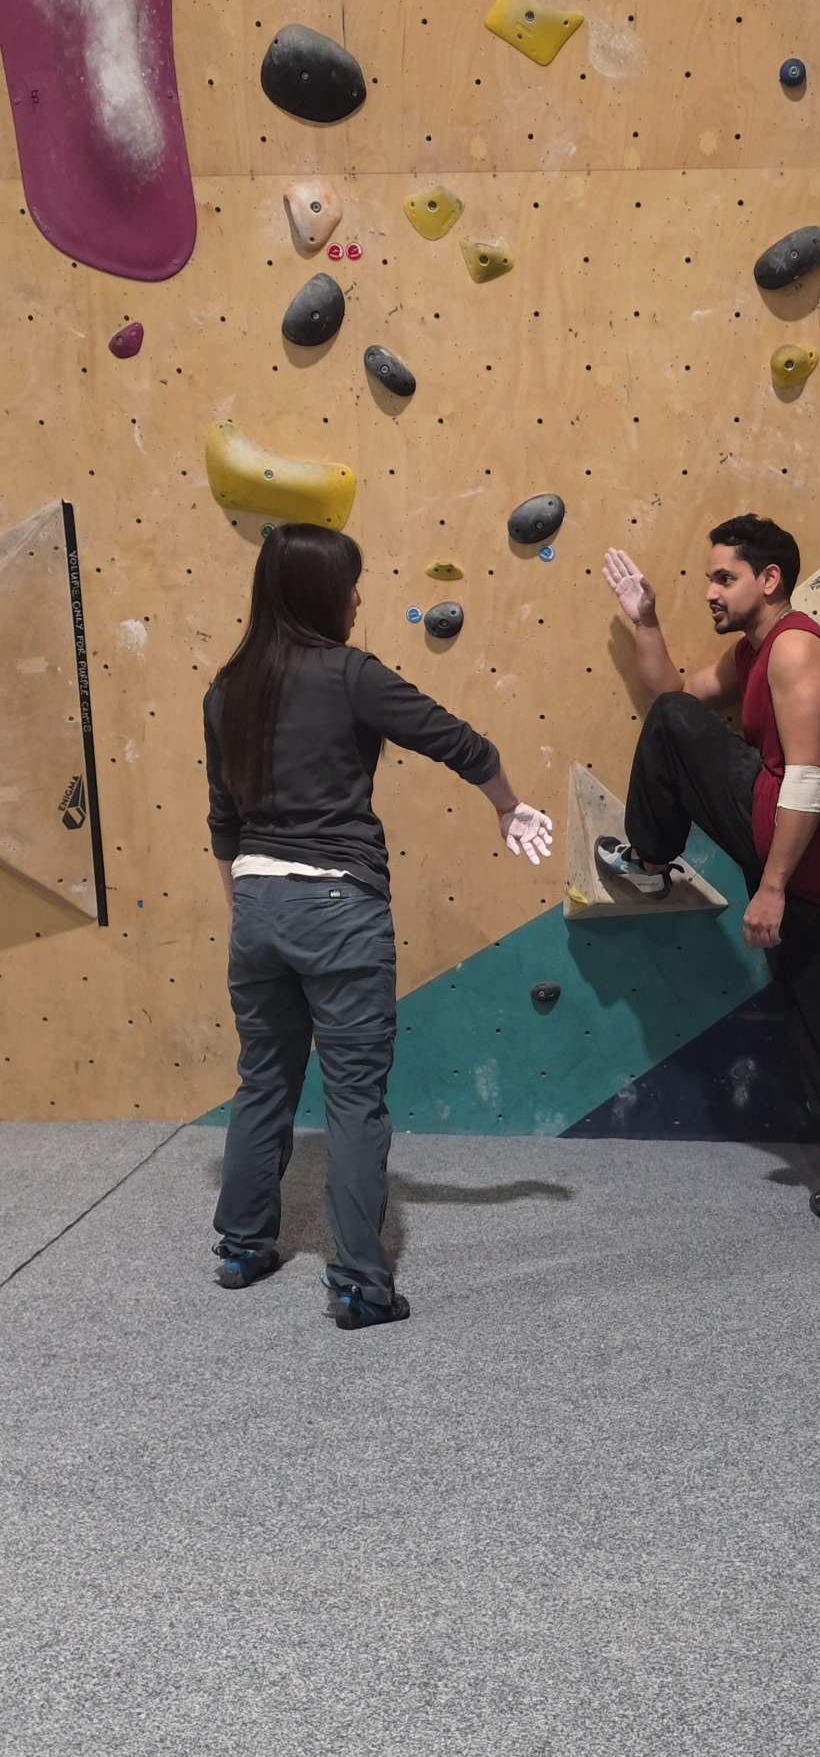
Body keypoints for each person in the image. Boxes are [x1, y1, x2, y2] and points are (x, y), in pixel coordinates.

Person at [203, 524, 552, 1328]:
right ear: (321, 593)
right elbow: (462, 743)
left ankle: (242, 1248)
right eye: (352, 584)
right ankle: (359, 1283)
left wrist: (244, 911)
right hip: (339, 911)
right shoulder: (350, 673)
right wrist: (508, 805)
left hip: (257, 904)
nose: (360, 597)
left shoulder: (226, 690)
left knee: (264, 1081)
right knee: (354, 1100)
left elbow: (224, 820)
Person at [601, 515, 820, 1247]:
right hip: (809, 855)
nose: (710, 591)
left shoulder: (790, 651)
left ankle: (651, 864)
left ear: (769, 579)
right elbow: (677, 701)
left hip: (797, 847)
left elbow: (808, 785)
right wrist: (646, 622)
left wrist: (773, 887)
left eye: (722, 577)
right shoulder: (752, 653)